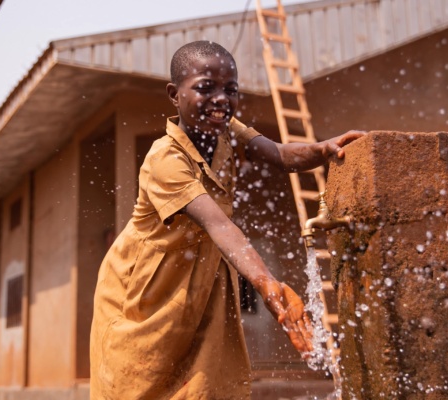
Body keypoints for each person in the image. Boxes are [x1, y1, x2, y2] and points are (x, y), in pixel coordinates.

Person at [89, 40, 364, 400]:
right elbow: (218, 224)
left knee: (207, 385)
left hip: (201, 278)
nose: (221, 99)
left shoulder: (227, 130)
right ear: (175, 94)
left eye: (230, 90)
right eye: (206, 88)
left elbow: (279, 154)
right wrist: (266, 283)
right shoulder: (165, 160)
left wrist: (322, 149)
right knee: (138, 382)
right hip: (147, 289)